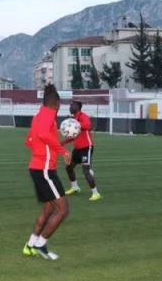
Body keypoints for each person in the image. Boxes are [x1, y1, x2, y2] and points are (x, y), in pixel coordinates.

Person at [22, 84, 71, 260]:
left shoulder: (38, 115)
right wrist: (63, 151)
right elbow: (43, 135)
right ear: (56, 103)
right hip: (44, 170)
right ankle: (41, 245)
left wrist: (59, 144)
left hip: (38, 167)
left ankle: (30, 245)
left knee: (49, 208)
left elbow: (30, 140)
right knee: (63, 210)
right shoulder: (49, 115)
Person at [63, 100, 102, 201]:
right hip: (77, 149)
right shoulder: (74, 119)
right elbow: (74, 135)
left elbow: (88, 126)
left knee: (86, 171)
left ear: (77, 107)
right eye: (70, 106)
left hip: (86, 148)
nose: (70, 107)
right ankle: (75, 187)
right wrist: (62, 143)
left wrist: (76, 123)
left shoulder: (83, 116)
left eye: (72, 106)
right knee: (69, 167)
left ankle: (96, 193)